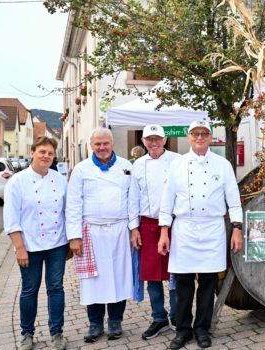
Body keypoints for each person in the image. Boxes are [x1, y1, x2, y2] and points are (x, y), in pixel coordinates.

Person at [157, 120, 243, 349]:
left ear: (210, 137)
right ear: (188, 136)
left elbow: (233, 200)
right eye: (195, 133)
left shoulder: (222, 165)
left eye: (204, 133)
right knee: (183, 284)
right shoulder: (177, 165)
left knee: (207, 283)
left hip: (213, 229)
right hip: (184, 229)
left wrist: (237, 228)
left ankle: (202, 329)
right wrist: (164, 232)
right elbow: (166, 201)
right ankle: (183, 330)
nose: (199, 137)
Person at [66, 128, 133, 343]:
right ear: (91, 146)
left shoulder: (126, 167)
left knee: (119, 277)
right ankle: (95, 324)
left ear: (112, 143)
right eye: (97, 144)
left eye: (105, 143)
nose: (102, 148)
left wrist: (134, 229)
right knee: (93, 281)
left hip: (119, 231)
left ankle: (115, 322)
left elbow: (133, 200)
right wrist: (74, 236)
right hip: (91, 233)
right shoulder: (80, 170)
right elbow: (73, 204)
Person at [3, 137, 68, 350]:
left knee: (56, 288)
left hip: (57, 243)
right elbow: (11, 218)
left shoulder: (60, 180)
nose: (46, 156)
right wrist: (19, 248)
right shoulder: (17, 181)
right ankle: (27, 333)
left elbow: (68, 212)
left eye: (50, 153)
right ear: (32, 152)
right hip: (29, 246)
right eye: (42, 152)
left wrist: (70, 241)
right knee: (30, 290)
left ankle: (57, 332)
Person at [128, 124, 181, 340]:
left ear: (165, 139)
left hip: (175, 224)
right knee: (151, 275)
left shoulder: (178, 160)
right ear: (143, 141)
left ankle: (178, 316)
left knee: (177, 272)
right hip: (147, 225)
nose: (154, 143)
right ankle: (159, 318)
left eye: (157, 138)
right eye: (149, 139)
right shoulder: (138, 165)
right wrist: (133, 228)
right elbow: (133, 198)